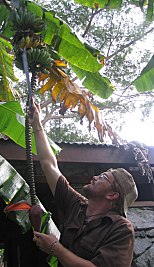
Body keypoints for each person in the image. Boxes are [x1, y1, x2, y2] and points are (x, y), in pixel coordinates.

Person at [28, 102, 138, 267]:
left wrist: (55, 249)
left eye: (103, 177)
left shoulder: (121, 229)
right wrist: (36, 125)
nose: (94, 177)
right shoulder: (77, 206)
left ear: (112, 195)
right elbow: (49, 165)